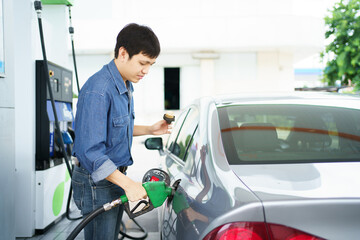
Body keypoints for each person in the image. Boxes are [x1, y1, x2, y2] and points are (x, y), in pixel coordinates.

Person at [71, 23, 170, 240]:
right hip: (96, 183)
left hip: (112, 177)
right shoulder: (99, 90)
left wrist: (150, 129)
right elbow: (91, 151)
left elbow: (114, 128)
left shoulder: (124, 84)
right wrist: (129, 185)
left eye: (151, 64)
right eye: (143, 63)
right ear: (123, 53)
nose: (146, 71)